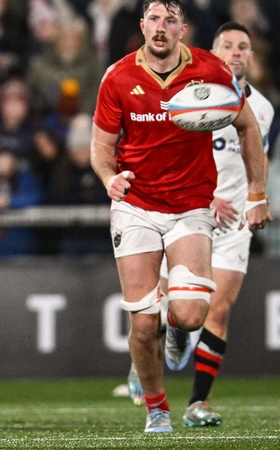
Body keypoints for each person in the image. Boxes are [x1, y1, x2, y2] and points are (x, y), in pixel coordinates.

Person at [90, 0, 270, 434]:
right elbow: (100, 146)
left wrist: (257, 192)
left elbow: (248, 126)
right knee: (142, 322)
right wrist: (109, 178)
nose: (161, 27)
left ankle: (178, 327)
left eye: (170, 20)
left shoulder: (210, 70)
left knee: (191, 316)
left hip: (190, 206)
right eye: (154, 18)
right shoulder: (118, 76)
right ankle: (158, 410)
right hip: (135, 206)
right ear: (142, 25)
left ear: (182, 29)